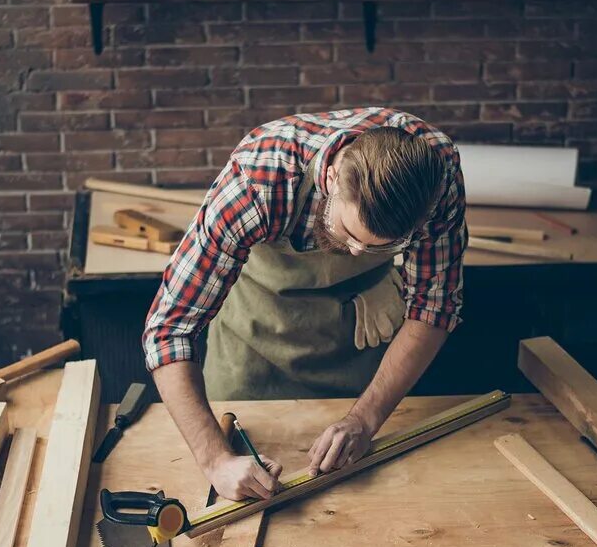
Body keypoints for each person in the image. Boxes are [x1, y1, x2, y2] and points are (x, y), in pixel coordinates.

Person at [143, 108, 466, 501]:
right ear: (331, 178)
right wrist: (215, 460)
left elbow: (435, 306)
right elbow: (169, 328)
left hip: (358, 349)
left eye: (382, 246)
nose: (356, 252)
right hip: (253, 349)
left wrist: (364, 419)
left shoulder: (437, 174)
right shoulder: (260, 179)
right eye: (348, 233)